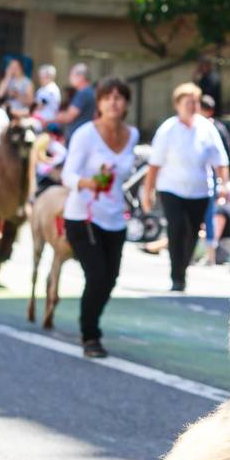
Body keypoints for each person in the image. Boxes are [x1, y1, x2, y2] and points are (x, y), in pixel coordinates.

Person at [62, 77, 139, 357]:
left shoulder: (132, 135)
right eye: (108, 97)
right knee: (96, 275)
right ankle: (90, 335)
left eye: (119, 97)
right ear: (99, 102)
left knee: (111, 277)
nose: (113, 102)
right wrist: (86, 182)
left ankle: (91, 323)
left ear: (127, 104)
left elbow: (127, 173)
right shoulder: (85, 134)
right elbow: (67, 175)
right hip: (83, 215)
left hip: (115, 216)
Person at [142, 82, 229, 292]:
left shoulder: (207, 128)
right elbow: (154, 164)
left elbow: (220, 160)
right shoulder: (168, 129)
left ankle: (183, 267)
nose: (192, 106)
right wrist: (148, 191)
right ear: (177, 105)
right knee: (177, 227)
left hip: (199, 191)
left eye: (195, 102)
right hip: (171, 188)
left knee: (191, 232)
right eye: (188, 102)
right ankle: (176, 274)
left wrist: (223, 185)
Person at [56, 63, 96, 136]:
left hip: (79, 135)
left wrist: (57, 116)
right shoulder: (90, 91)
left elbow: (69, 116)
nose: (70, 78)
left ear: (81, 77)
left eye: (72, 75)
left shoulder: (83, 93)